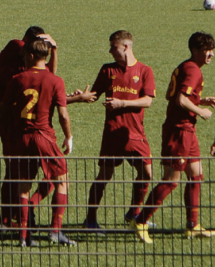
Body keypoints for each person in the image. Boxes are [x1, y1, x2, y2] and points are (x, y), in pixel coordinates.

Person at [0, 36, 76, 247]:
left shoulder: (18, 79)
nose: (23, 59)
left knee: (23, 186)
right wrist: (68, 136)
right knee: (62, 180)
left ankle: (24, 236)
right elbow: (63, 114)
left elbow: (4, 108)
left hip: (22, 138)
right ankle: (55, 230)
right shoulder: (55, 80)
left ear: (32, 55)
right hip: (45, 137)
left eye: (25, 55)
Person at [131, 32, 215, 243]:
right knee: (171, 180)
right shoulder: (194, 70)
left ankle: (193, 225)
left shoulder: (186, 66)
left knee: (196, 176)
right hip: (179, 131)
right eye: (206, 50)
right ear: (195, 51)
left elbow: (175, 96)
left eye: (212, 50)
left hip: (187, 130)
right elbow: (179, 100)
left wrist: (201, 100)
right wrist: (200, 110)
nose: (210, 54)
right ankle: (140, 221)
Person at [76, 31, 155, 232]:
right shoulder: (107, 71)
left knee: (146, 172)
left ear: (126, 47)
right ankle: (90, 220)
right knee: (104, 175)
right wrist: (82, 96)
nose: (110, 51)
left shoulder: (145, 71)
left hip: (135, 133)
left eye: (114, 47)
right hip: (112, 134)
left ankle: (134, 213)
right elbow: (94, 95)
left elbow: (147, 101)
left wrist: (122, 103)